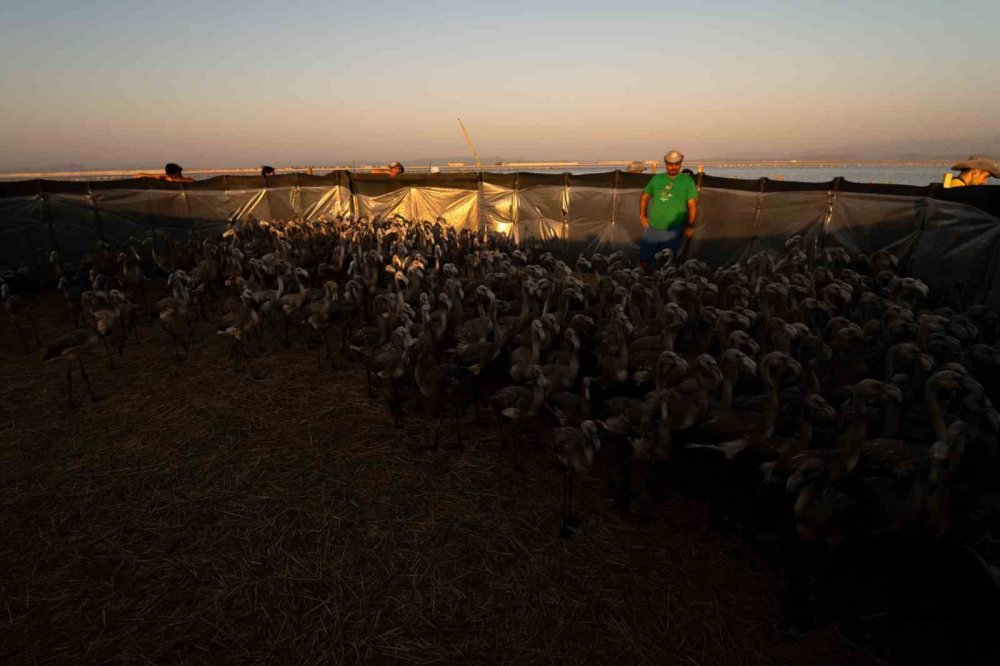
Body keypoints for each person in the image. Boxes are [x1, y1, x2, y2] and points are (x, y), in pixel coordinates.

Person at [638, 150, 698, 271]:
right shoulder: (657, 179)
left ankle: (664, 285)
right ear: (665, 163)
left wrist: (690, 226)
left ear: (680, 163)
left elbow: (692, 206)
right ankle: (640, 282)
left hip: (674, 230)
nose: (674, 167)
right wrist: (642, 216)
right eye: (670, 164)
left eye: (677, 164)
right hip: (653, 227)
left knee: (668, 263)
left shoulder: (687, 181)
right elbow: (644, 197)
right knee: (643, 259)